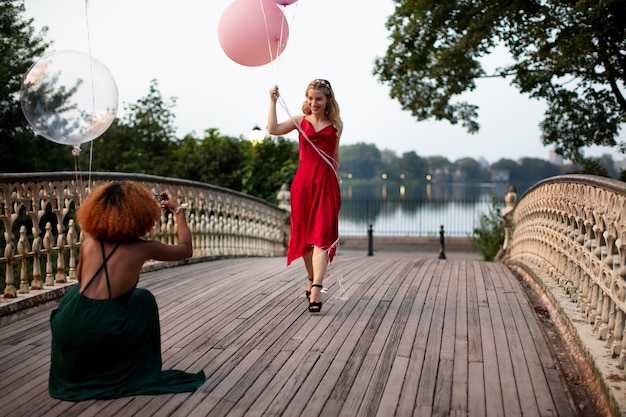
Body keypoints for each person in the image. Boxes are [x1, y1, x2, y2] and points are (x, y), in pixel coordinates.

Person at [48, 181, 205, 401]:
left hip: (69, 325)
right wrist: (177, 211)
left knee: (76, 293)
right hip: (104, 329)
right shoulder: (143, 248)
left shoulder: (88, 242)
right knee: (144, 300)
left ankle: (81, 365)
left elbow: (82, 280)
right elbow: (186, 250)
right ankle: (130, 368)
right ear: (141, 215)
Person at [268, 79, 342, 313]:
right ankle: (311, 278)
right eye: (310, 98)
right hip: (303, 185)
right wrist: (272, 102)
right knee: (305, 237)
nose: (313, 103)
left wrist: (336, 185)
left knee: (322, 236)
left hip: (327, 184)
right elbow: (273, 129)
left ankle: (317, 288)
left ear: (327, 100)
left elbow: (335, 157)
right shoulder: (301, 121)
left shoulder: (336, 125)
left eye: (318, 99)